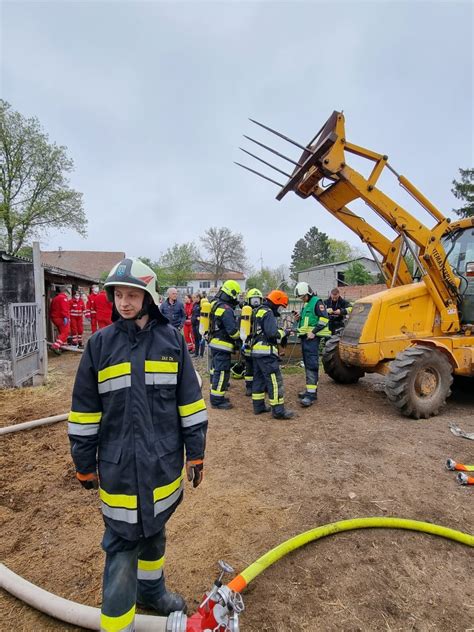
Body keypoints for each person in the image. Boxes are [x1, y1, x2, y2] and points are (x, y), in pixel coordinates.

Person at [68, 257, 207, 632]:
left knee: (156, 528)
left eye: (133, 295)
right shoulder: (100, 345)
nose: (124, 302)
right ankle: (117, 625)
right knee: (122, 544)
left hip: (162, 464)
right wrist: (83, 462)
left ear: (149, 297)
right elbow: (84, 412)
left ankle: (152, 591)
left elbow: (190, 405)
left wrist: (196, 453)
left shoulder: (172, 341)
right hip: (120, 469)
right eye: (118, 295)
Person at [250, 290, 294, 420]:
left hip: (256, 351)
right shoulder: (268, 313)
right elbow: (271, 333)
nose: (279, 309)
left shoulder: (257, 310)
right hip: (266, 352)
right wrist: (284, 333)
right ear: (276, 302)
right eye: (280, 306)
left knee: (259, 379)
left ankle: (258, 407)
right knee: (275, 381)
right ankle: (278, 410)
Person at [294, 281, 330, 407]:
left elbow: (324, 318)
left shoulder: (317, 302)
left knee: (311, 365)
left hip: (312, 339)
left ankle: (311, 395)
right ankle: (310, 391)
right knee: (308, 365)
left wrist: (314, 332)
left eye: (303, 297)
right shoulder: (308, 303)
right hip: (306, 339)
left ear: (308, 293)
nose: (302, 299)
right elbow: (309, 320)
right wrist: (299, 318)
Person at [208, 280, 241, 409]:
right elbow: (232, 331)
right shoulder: (226, 309)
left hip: (214, 342)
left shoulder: (215, 304)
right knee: (222, 372)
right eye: (235, 295)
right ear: (231, 293)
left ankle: (215, 394)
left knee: (215, 370)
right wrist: (240, 337)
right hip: (223, 345)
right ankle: (217, 400)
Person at [242, 288, 264, 397]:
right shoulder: (247, 312)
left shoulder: (246, 311)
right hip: (250, 343)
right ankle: (251, 387)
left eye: (257, 299)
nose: (256, 302)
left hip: (252, 343)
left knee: (250, 366)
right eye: (254, 299)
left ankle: (251, 387)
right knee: (250, 366)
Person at [50, 285, 71, 353]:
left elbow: (51, 308)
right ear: (64, 291)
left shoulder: (55, 298)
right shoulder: (63, 298)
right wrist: (66, 317)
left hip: (55, 318)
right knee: (65, 332)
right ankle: (55, 346)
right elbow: (64, 309)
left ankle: (63, 347)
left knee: (61, 332)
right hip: (61, 318)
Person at [191, 293, 205, 358]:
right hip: (194, 324)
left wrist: (199, 317)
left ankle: (201, 354)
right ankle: (196, 353)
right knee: (196, 339)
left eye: (196, 297)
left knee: (201, 339)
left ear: (199, 297)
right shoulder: (194, 304)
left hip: (199, 324)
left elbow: (204, 314)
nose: (194, 299)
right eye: (194, 298)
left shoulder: (202, 304)